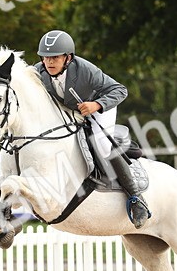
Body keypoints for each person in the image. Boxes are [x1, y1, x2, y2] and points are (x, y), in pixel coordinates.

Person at [32, 29, 152, 228]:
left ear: (68, 58)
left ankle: (135, 198)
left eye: (54, 58)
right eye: (45, 58)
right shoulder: (39, 71)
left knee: (102, 144)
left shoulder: (85, 70)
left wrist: (96, 105)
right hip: (72, 112)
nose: (49, 62)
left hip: (98, 107)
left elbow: (119, 90)